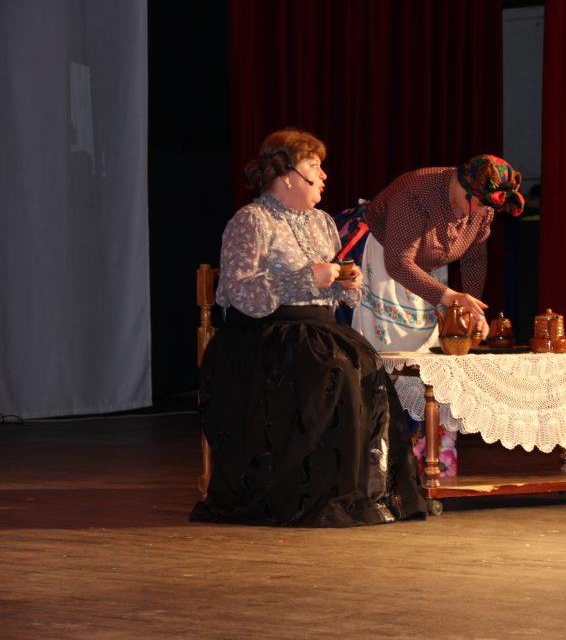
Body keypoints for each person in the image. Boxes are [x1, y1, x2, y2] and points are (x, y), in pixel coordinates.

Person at [191, 128, 426, 527]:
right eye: (314, 166)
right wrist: (307, 278)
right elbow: (241, 293)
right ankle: (309, 492)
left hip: (318, 330)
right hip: (265, 333)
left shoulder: (322, 222)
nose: (323, 175)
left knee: (365, 365)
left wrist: (345, 283)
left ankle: (355, 492)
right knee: (333, 371)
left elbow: (333, 291)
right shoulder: (251, 221)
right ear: (287, 175)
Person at [352, 155, 525, 476]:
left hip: (431, 273)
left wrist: (469, 307)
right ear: (462, 187)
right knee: (395, 360)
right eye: (478, 205)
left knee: (433, 363)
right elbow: (399, 263)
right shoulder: (415, 193)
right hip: (387, 266)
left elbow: (474, 259)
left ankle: (430, 458)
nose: (481, 214)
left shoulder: (482, 208)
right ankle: (387, 460)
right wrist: (449, 297)